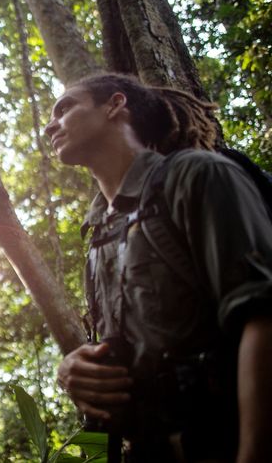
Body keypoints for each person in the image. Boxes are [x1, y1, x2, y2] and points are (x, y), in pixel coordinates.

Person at [46, 73, 272, 462]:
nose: (50, 124)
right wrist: (71, 370)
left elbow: (263, 314)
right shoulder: (98, 233)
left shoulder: (198, 176)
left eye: (65, 108)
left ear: (115, 105)